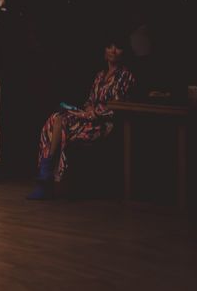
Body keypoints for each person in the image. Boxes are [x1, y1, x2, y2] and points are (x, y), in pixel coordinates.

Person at [28, 37, 137, 200]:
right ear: (105, 52)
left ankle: (45, 177)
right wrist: (88, 109)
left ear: (123, 52)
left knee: (61, 125)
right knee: (56, 117)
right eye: (110, 47)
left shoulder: (126, 76)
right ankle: (45, 172)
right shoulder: (100, 75)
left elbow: (120, 106)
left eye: (118, 48)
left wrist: (96, 112)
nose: (113, 51)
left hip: (105, 123)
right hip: (89, 118)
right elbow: (89, 101)